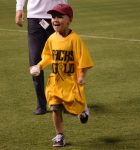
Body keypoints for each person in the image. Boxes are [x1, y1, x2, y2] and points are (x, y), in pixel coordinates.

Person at [30, 3, 94, 147]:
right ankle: (59, 135)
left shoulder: (75, 39)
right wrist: (39, 66)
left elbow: (83, 59)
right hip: (55, 81)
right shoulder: (52, 39)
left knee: (74, 107)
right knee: (55, 107)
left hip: (71, 82)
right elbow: (48, 56)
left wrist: (82, 76)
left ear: (69, 19)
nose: (55, 20)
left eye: (60, 16)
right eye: (53, 17)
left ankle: (82, 109)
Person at [15, 0, 68, 115]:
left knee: (62, 59)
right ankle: (41, 104)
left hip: (57, 14)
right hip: (35, 18)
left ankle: (63, 100)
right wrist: (19, 8)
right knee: (35, 63)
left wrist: (65, 12)